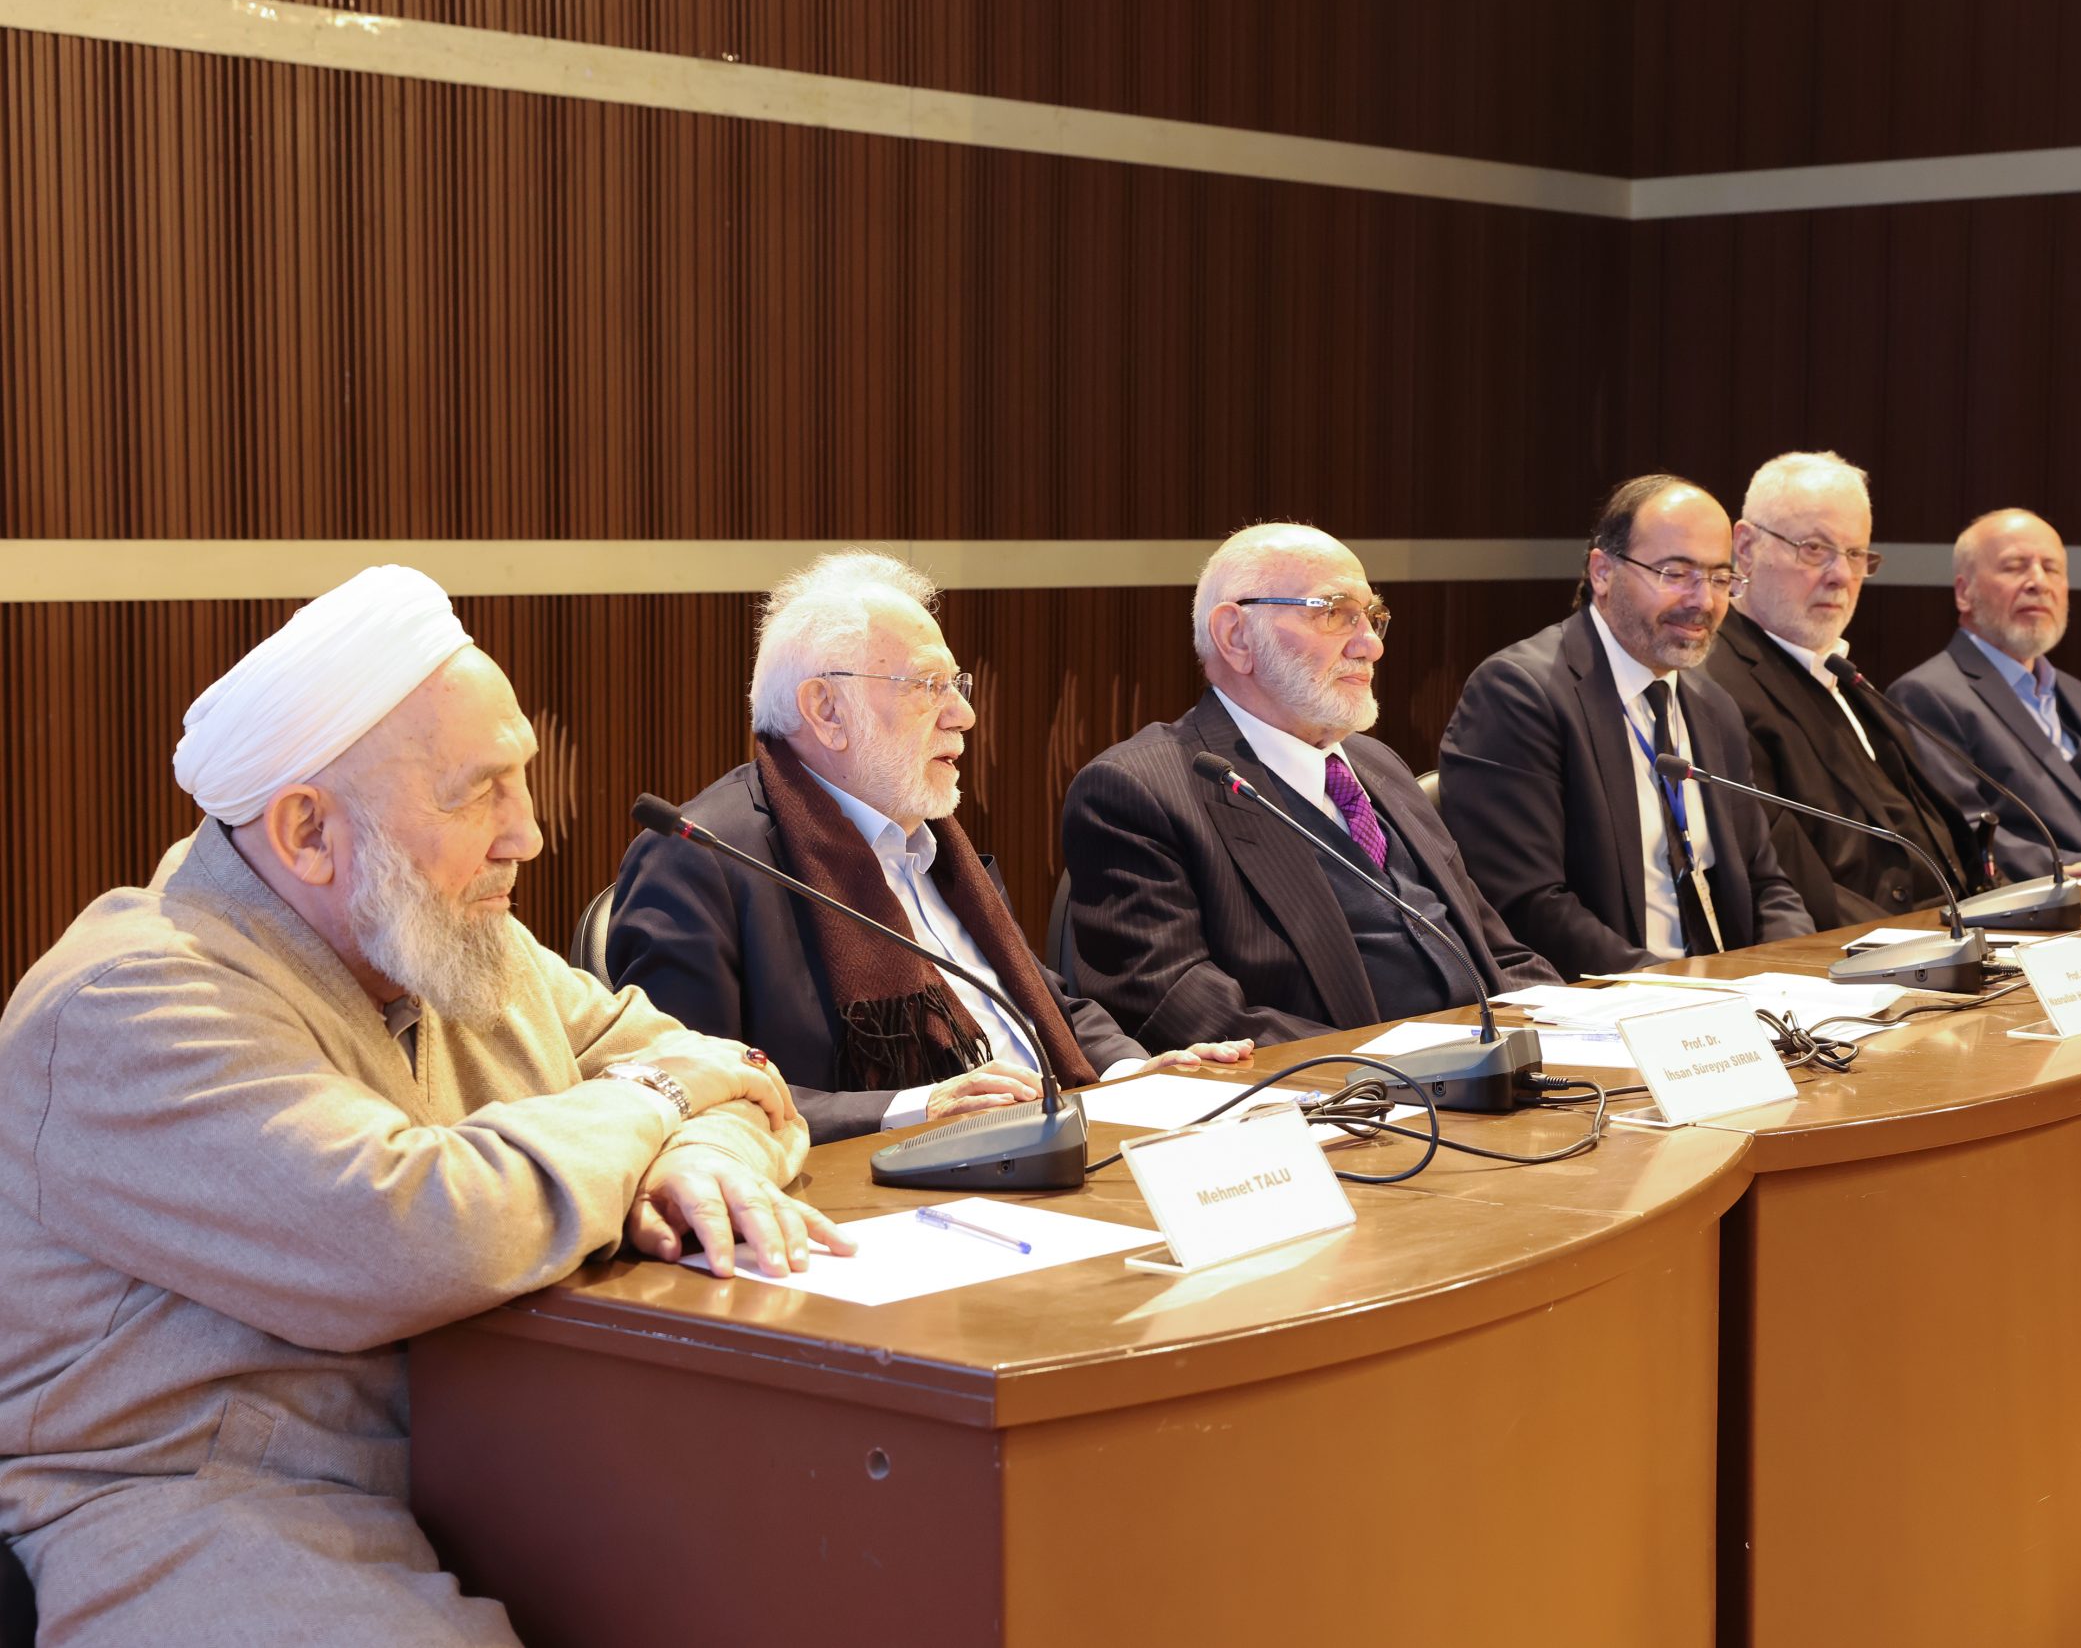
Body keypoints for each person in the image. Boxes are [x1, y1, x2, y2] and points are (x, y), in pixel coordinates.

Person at [0, 566, 839, 1646]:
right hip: (208, 1507)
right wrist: (655, 1105)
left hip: (499, 1466)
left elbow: (731, 1071)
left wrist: (701, 1151)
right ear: (308, 832)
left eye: (522, 780)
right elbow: (413, 1229)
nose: (527, 835)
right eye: (477, 792)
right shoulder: (127, 1003)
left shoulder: (448, 943)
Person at [609, 551, 1249, 1144]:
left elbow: (1043, 1005)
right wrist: (915, 1108)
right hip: (880, 1187)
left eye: (956, 685)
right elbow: (688, 1091)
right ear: (826, 710)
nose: (963, 715)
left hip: (1053, 1142)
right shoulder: (702, 859)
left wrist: (1132, 1076)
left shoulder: (932, 839)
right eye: (926, 685)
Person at [1063, 523, 1559, 1050]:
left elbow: (1496, 952)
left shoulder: (1377, 763)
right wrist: (1389, 1068)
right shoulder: (1139, 791)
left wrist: (1578, 1031)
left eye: (1372, 617)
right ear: (1236, 636)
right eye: (1335, 613)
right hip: (1348, 1089)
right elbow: (1177, 1007)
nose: (1370, 646)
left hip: (1492, 1068)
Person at [1438, 474, 1813, 975]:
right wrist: (1679, 991)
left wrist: (1792, 973)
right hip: (1612, 998)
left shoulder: (1713, 706)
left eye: (1720, 579)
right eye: (1675, 573)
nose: (1703, 601)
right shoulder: (1520, 693)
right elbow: (1527, 906)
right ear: (1603, 571)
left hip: (1726, 996)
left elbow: (1765, 882)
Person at [1704, 451, 1991, 927]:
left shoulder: (1844, 677)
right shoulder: (1714, 687)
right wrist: (1921, 940)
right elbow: (1780, 880)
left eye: (1856, 554)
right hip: (1863, 949)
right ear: (1746, 547)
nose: (1841, 575)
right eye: (1815, 548)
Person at [1888, 508, 2081, 878]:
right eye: (2014, 567)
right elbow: (1962, 833)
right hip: (2067, 899)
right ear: (1964, 593)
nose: (2038, 582)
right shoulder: (1926, 696)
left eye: (2052, 568)